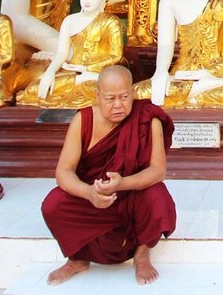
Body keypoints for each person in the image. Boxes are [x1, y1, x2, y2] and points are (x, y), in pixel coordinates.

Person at [41, 65, 176, 286]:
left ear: (133, 93)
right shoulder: (83, 120)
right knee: (53, 203)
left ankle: (142, 254)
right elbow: (63, 172)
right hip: (95, 199)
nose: (118, 105)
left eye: (124, 97)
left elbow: (158, 170)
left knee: (157, 196)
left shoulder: (147, 119)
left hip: (132, 195)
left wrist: (123, 183)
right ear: (97, 96)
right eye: (110, 98)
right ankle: (78, 258)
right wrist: (89, 193)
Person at [17, 0, 124, 108]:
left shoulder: (110, 21)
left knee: (101, 87)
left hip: (98, 72)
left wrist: (86, 67)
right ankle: (80, 80)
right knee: (35, 89)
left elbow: (116, 56)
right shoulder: (70, 20)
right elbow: (62, 52)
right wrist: (50, 73)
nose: (87, 0)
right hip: (72, 70)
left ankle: (86, 79)